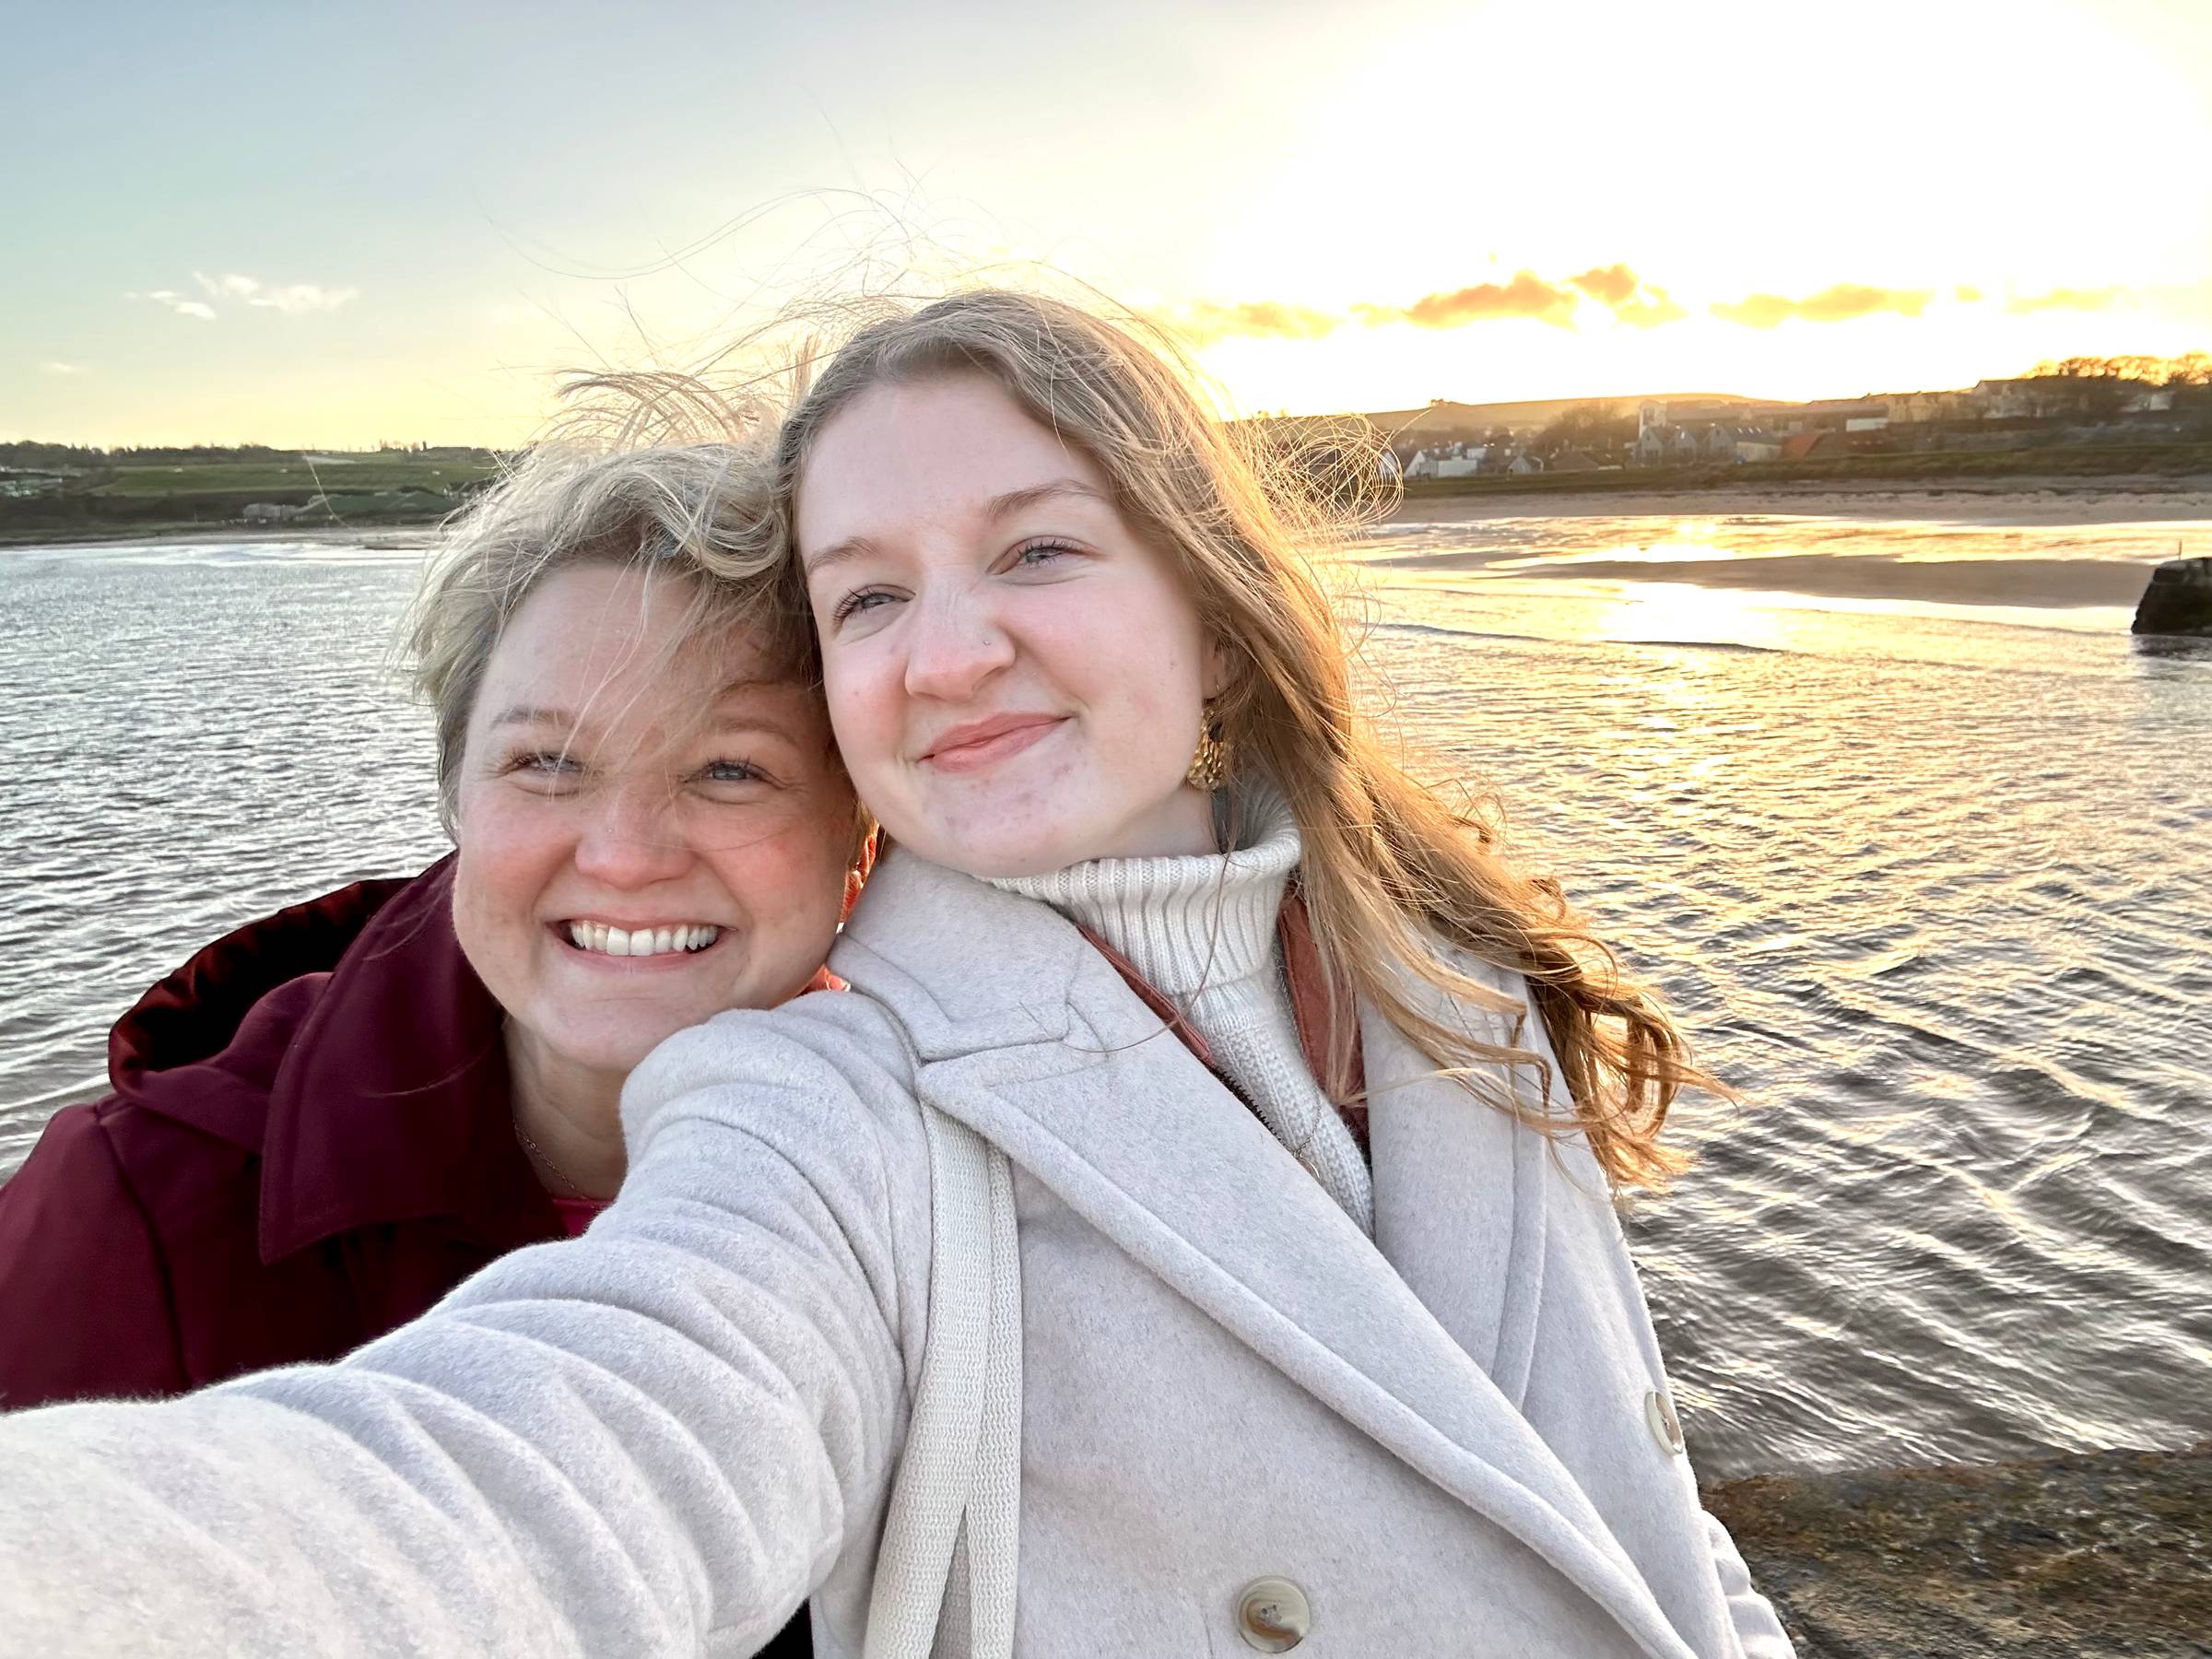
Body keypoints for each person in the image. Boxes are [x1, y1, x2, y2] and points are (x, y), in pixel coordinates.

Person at [0, 292, 1793, 1659]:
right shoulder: (834, 1102)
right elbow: (567, 1462)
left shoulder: (1445, 958)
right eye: (864, 597)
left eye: (1035, 549)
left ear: (1211, 598)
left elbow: (1631, 1511)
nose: (948, 650)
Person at [0, 440, 861, 1658]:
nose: (622, 852)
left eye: (732, 769)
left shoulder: (968, 1183)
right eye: (546, 763)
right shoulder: (137, 1210)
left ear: (860, 834)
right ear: (458, 797)